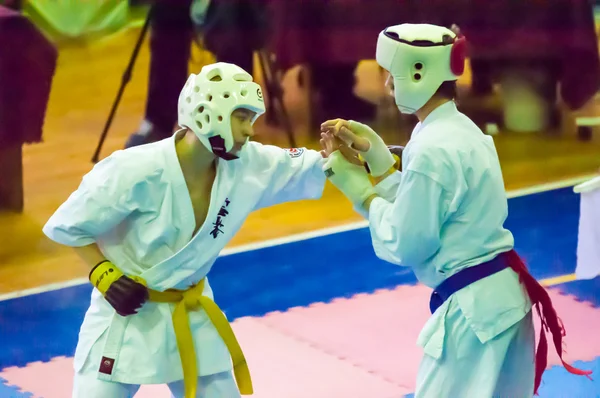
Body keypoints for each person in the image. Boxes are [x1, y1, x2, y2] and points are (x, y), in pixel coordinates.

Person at [319, 23, 591, 397]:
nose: (386, 86)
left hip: (475, 318)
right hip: (504, 306)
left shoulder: (432, 148)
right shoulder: (461, 131)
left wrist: (361, 193)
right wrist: (381, 166)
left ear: (418, 72)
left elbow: (408, 241)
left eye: (390, 76)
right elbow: (433, 211)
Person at [42, 62, 333, 398]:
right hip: (125, 315)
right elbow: (70, 226)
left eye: (251, 120)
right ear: (208, 115)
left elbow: (311, 163)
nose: (250, 131)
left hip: (192, 314)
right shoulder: (133, 170)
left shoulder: (246, 164)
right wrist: (104, 275)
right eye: (241, 118)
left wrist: (379, 157)